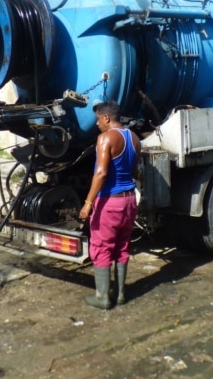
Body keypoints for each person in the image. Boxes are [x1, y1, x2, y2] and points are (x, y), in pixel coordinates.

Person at [79, 101, 141, 309]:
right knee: (122, 247)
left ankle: (103, 298)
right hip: (129, 200)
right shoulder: (133, 138)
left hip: (110, 203)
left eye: (98, 120)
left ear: (106, 118)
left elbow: (101, 173)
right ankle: (121, 294)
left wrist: (88, 203)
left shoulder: (105, 139)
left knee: (101, 248)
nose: (97, 124)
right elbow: (134, 171)